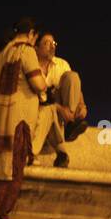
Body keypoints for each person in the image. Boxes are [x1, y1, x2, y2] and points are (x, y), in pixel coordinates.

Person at [0, 17, 57, 219]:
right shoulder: (26, 51)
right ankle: (0, 215)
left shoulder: (4, 50)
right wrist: (46, 88)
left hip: (0, 116)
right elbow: (38, 84)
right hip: (19, 119)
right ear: (32, 34)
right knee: (14, 169)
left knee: (1, 169)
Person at [35, 30, 88, 168]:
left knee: (72, 76)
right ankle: (62, 153)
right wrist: (58, 107)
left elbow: (74, 87)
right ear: (36, 47)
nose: (52, 46)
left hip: (61, 109)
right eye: (47, 43)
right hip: (39, 108)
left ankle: (70, 122)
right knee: (49, 109)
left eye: (54, 43)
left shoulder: (61, 64)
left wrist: (82, 106)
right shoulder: (31, 64)